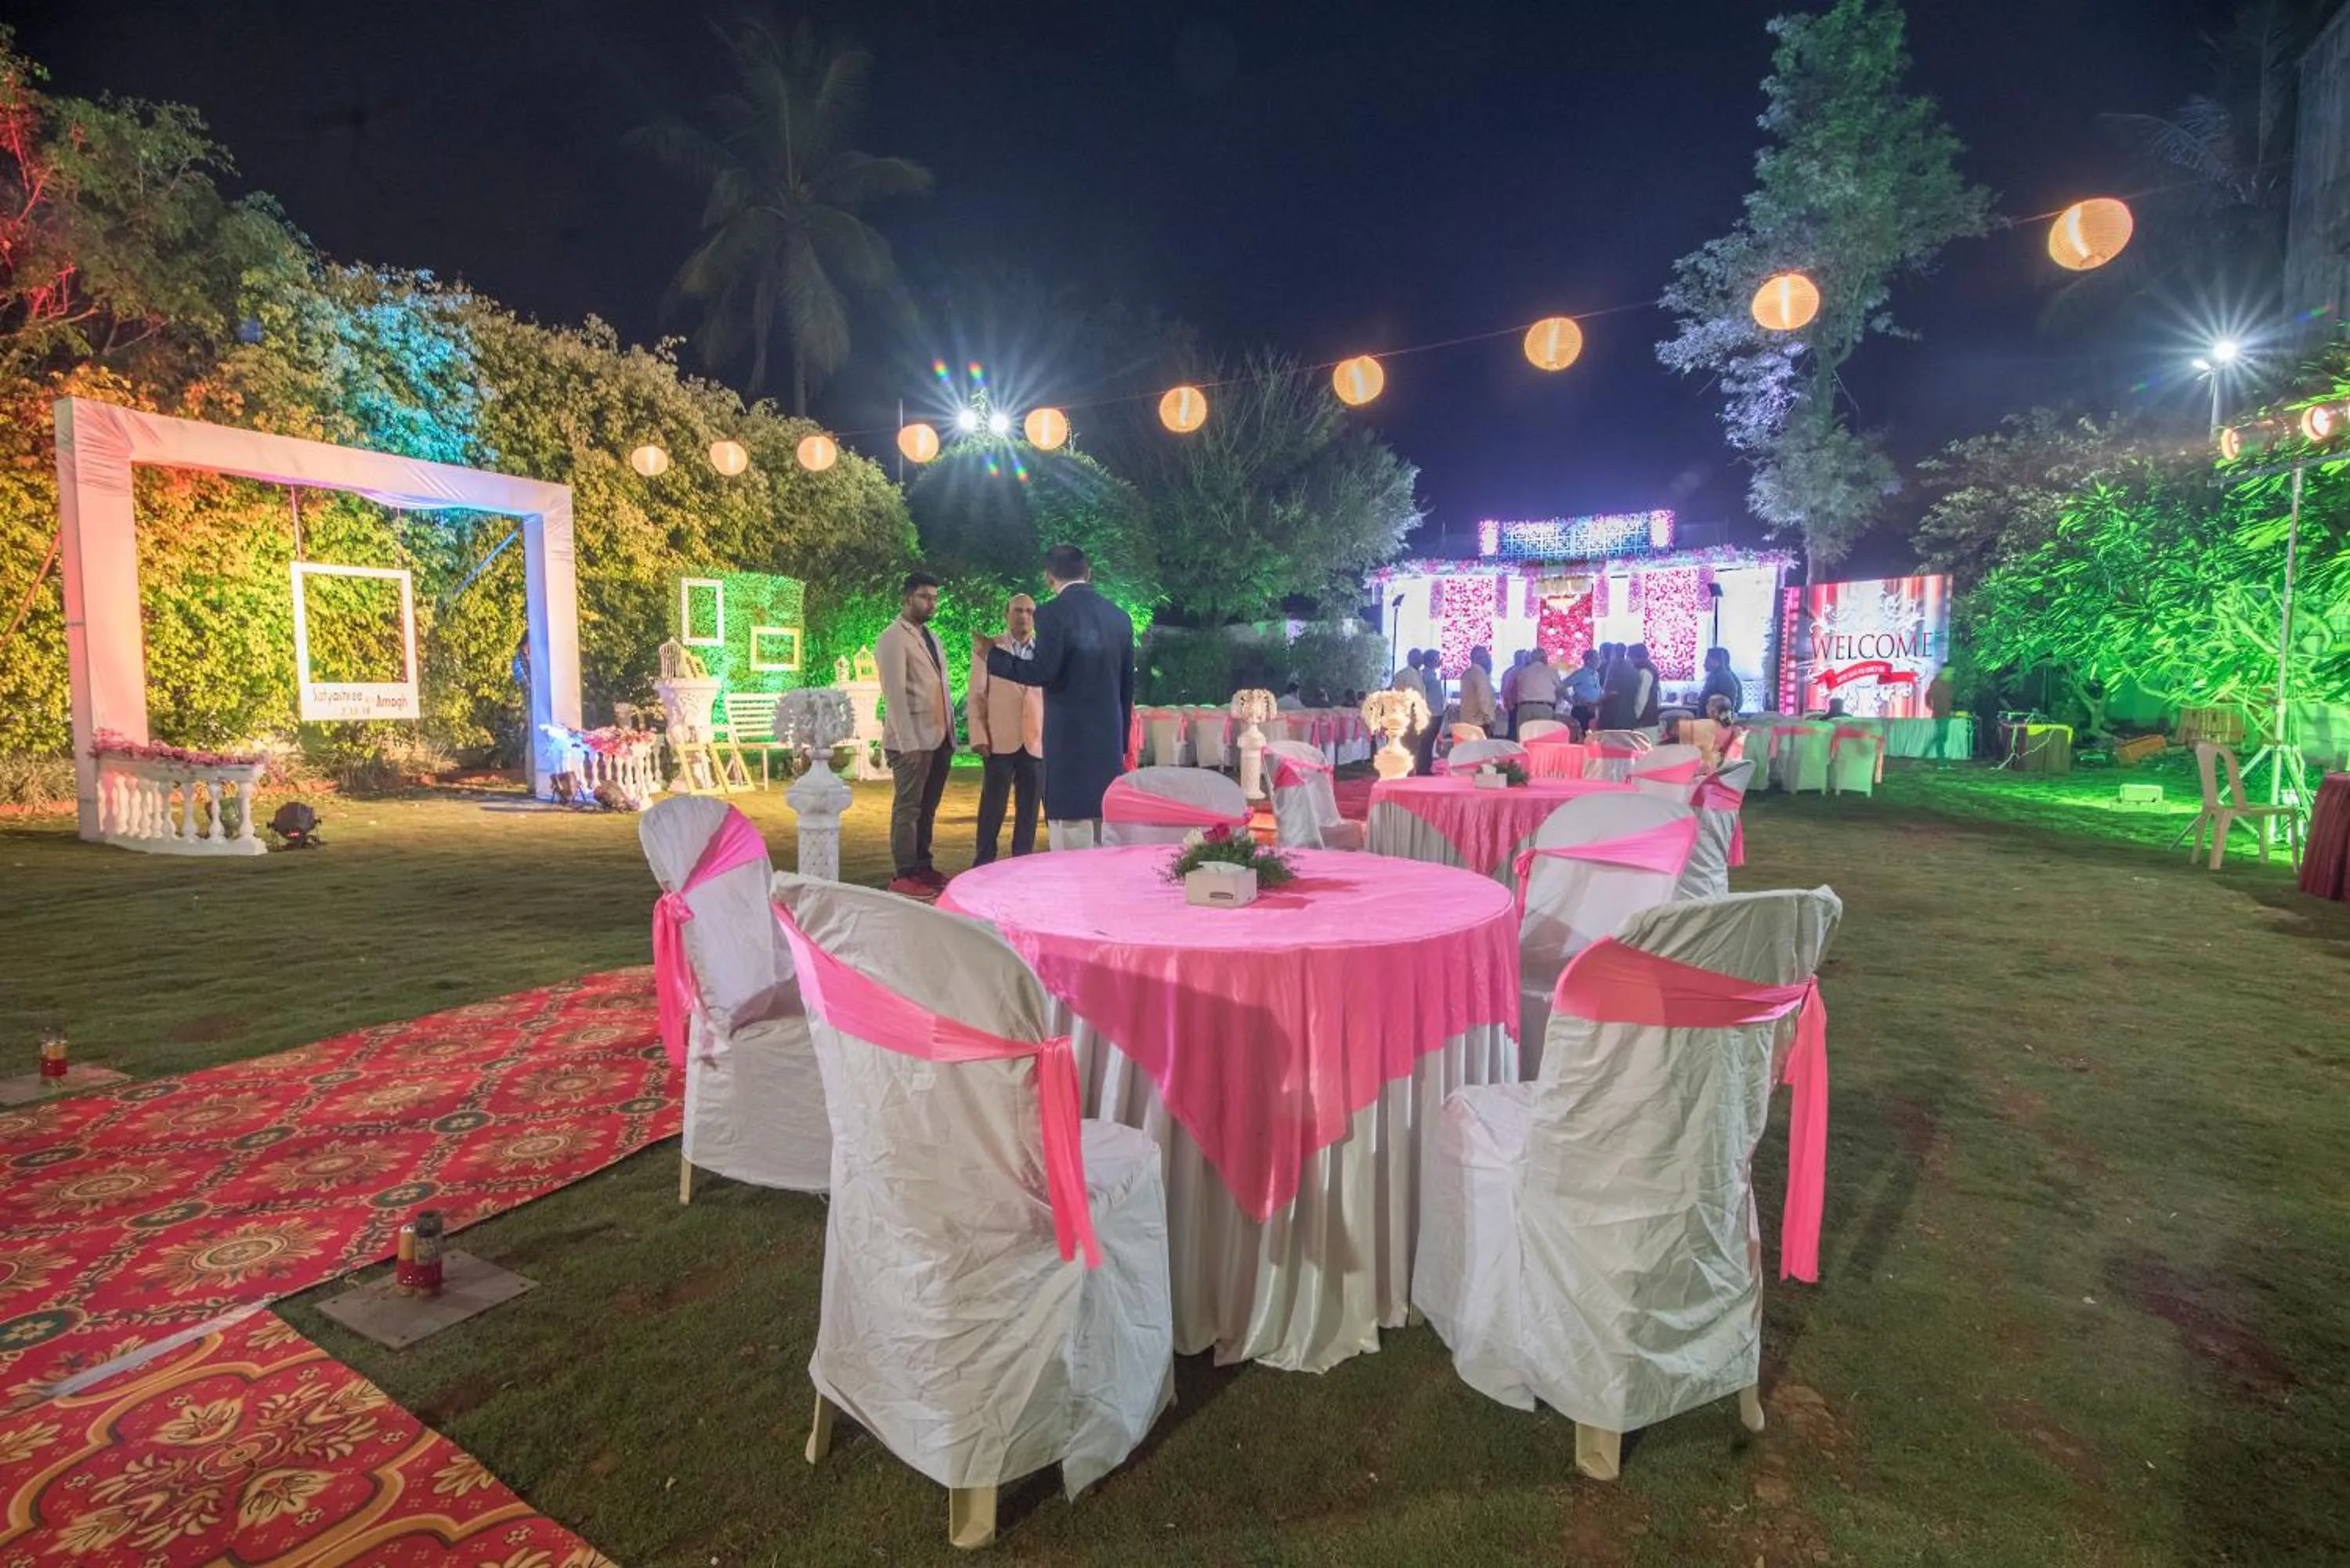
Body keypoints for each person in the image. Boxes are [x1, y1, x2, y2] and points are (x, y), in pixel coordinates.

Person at [978, 543, 1134, 851]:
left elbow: (1042, 672)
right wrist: (1122, 740)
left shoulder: (1050, 614)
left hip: (1068, 744)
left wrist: (992, 657)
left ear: (1050, 577)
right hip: (1108, 743)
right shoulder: (1119, 617)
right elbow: (1126, 688)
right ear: (1088, 573)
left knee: (1071, 837)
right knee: (1106, 835)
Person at [876, 571, 954, 898]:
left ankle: (923, 865)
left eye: (935, 598)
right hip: (912, 741)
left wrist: (952, 732)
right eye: (925, 597)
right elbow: (894, 693)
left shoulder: (932, 638)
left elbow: (941, 687)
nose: (931, 603)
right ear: (907, 599)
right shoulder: (893, 637)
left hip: (939, 737)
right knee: (908, 808)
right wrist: (907, 743)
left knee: (928, 807)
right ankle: (905, 871)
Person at [969, 591, 1043, 865]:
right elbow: (976, 695)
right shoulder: (990, 649)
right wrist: (979, 735)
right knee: (992, 807)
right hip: (999, 741)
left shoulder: (1045, 651)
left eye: (1029, 611)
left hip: (1035, 742)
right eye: (1018, 611)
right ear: (1006, 615)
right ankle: (983, 863)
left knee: (1029, 810)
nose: (1024, 616)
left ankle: (1021, 865)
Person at [1514, 648, 1559, 731]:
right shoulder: (1551, 671)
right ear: (1544, 658)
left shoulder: (1523, 672)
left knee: (1524, 736)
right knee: (1542, 736)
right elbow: (1560, 689)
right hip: (1544, 709)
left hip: (1524, 708)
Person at [1459, 645, 1497, 732]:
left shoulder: (1467, 673)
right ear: (1480, 658)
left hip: (1467, 719)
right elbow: (1483, 698)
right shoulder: (1479, 673)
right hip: (1479, 722)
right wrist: (1489, 718)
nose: (1489, 659)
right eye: (1486, 656)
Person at [1564, 649, 1603, 734]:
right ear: (1589, 660)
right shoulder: (1580, 674)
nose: (1599, 661)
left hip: (1593, 709)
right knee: (1580, 736)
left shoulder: (1596, 674)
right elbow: (1562, 686)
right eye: (1597, 658)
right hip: (1582, 709)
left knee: (1591, 736)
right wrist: (1571, 700)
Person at [1699, 646, 1742, 718]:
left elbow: (1727, 706)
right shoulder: (1715, 676)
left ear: (1716, 661)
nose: (1704, 664)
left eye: (1707, 660)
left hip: (1718, 723)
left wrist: (1723, 726)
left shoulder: (1724, 677)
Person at [1498, 649, 1529, 737]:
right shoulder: (1517, 671)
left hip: (1514, 704)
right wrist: (1509, 704)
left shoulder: (1508, 671)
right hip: (1516, 704)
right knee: (1516, 730)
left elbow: (1503, 689)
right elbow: (1506, 689)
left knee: (1513, 728)